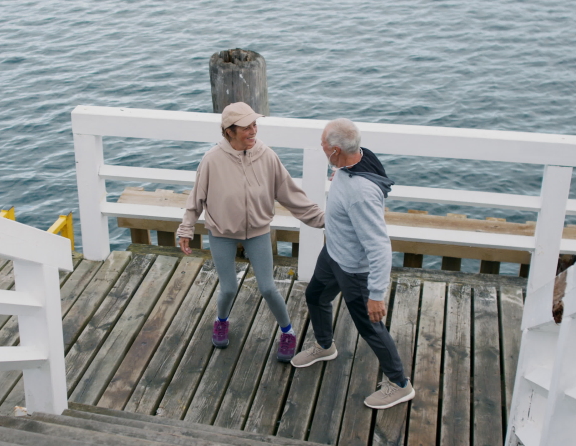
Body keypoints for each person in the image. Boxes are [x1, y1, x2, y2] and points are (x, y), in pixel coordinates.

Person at [177, 102, 325, 362]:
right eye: (246, 127)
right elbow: (195, 199)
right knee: (228, 289)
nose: (253, 131)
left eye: (255, 125)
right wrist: (186, 228)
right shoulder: (212, 159)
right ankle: (221, 320)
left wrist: (324, 220)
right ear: (229, 131)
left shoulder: (267, 156)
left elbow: (291, 195)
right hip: (221, 232)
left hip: (257, 232)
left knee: (268, 288)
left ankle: (288, 333)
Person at [290, 118, 415, 409]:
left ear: (335, 151)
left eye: (323, 144)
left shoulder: (361, 194)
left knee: (370, 327)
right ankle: (324, 346)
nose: (320, 147)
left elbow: (380, 246)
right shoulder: (356, 159)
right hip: (332, 253)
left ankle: (399, 384)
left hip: (355, 271)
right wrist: (340, 177)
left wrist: (376, 294)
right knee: (315, 296)